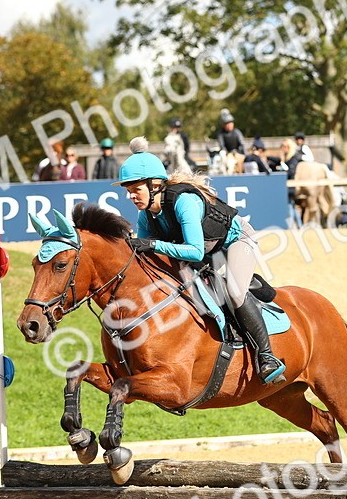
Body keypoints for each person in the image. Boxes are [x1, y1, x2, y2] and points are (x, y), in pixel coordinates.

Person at [115, 136, 286, 384]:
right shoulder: (145, 217)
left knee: (235, 292)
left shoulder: (184, 201)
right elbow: (145, 259)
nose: (131, 197)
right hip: (208, 251)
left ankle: (267, 357)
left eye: (136, 190)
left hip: (235, 241)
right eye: (128, 191)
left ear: (154, 186)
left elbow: (193, 252)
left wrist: (152, 244)